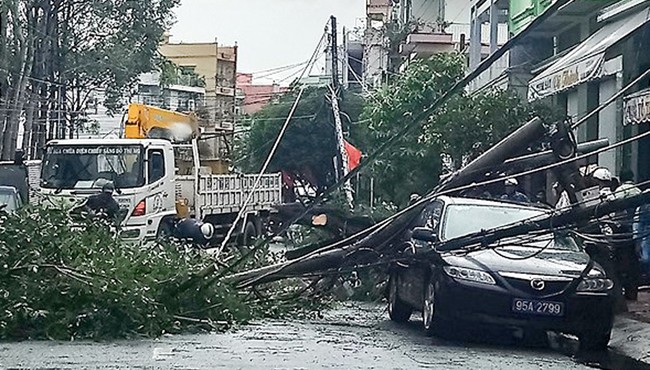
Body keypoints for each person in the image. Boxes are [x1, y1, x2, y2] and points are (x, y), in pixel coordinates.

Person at [613, 169, 642, 300]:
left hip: (621, 230)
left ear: (620, 178)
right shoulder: (638, 191)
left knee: (620, 260)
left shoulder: (620, 190)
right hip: (635, 230)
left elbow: (613, 207)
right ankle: (632, 291)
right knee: (633, 261)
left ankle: (622, 288)